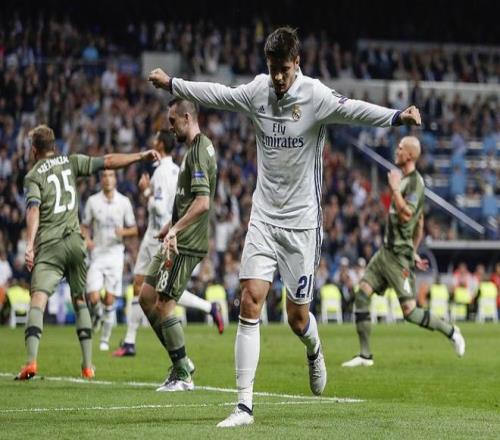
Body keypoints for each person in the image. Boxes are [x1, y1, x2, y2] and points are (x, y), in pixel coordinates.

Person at [149, 26, 421, 427]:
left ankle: (313, 346)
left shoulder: (315, 96)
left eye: (284, 70)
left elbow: (355, 109)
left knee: (297, 318)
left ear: (297, 63)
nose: (278, 77)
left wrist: (396, 117)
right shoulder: (257, 91)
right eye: (272, 68)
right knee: (250, 299)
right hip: (264, 216)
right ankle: (244, 406)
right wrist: (174, 83)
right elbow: (218, 94)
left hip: (302, 224)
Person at [16, 124, 160, 380]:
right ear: (54, 146)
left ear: (35, 150)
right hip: (76, 243)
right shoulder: (70, 162)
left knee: (38, 299)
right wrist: (139, 156)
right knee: (80, 299)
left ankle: (30, 362)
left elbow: (34, 209)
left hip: (50, 245)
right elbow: (108, 161)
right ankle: (88, 365)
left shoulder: (33, 176)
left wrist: (29, 244)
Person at [342, 136, 465, 368]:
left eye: (400, 148)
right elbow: (419, 223)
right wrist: (415, 250)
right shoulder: (405, 181)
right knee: (362, 295)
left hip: (399, 259)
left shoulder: (415, 182)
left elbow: (408, 214)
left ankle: (451, 331)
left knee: (410, 312)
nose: (396, 151)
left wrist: (394, 189)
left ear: (409, 155)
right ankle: (365, 355)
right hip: (385, 253)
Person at [112, 130, 224, 358]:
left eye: (155, 138)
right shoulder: (175, 169)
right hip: (157, 233)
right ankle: (130, 340)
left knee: (163, 291)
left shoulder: (162, 172)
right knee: (142, 286)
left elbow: (160, 207)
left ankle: (207, 309)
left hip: (162, 235)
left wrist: (146, 191)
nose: (152, 141)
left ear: (161, 144)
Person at [136, 98, 217, 392]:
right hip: (176, 235)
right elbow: (188, 200)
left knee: (165, 305)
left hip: (186, 242)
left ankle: (182, 373)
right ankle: (181, 360)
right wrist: (170, 225)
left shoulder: (199, 152)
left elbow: (203, 202)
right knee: (146, 296)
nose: (170, 127)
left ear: (187, 117)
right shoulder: (194, 149)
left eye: (173, 121)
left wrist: (176, 230)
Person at [81, 169, 138, 352]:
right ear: (101, 179)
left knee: (109, 300)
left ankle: (105, 339)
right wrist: (87, 239)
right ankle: (97, 314)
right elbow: (84, 226)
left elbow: (134, 229)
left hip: (115, 254)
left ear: (115, 179)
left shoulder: (124, 202)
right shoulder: (93, 201)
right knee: (93, 295)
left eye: (111, 175)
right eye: (104, 175)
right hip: (97, 253)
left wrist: (124, 232)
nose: (107, 178)